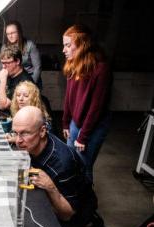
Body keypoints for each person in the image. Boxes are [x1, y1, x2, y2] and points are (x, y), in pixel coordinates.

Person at [12, 106, 97, 227]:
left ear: (42, 131)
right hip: (57, 194)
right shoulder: (32, 143)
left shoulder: (63, 164)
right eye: (15, 133)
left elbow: (67, 214)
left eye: (24, 133)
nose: (18, 141)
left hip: (77, 210)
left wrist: (50, 187)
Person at [62, 24, 112, 183]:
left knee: (83, 168)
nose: (64, 50)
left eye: (68, 45)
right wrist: (65, 123)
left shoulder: (101, 69)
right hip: (75, 122)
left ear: (82, 45)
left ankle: (86, 206)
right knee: (70, 163)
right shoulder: (73, 64)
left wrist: (83, 137)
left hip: (93, 125)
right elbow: (69, 97)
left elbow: (96, 108)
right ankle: (70, 202)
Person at [1, 20, 42, 89]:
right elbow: (1, 68)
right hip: (14, 80)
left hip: (30, 79)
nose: (10, 36)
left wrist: (30, 86)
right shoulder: (5, 47)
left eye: (13, 33)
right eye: (8, 34)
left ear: (19, 32)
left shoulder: (30, 45)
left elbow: (37, 68)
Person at [0, 45, 34, 111]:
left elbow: (2, 105)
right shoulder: (10, 74)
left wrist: (2, 81)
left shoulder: (25, 82)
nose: (3, 67)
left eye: (7, 63)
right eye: (3, 63)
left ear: (17, 61)